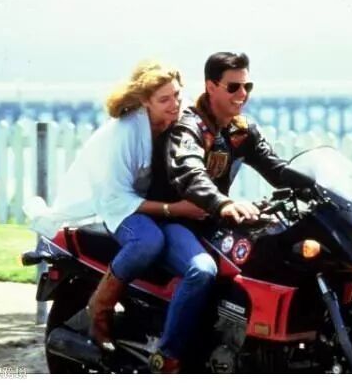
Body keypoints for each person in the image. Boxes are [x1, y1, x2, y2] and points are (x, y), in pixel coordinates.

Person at [25, 60, 217, 374]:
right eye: (164, 99)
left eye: (177, 95)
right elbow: (117, 198)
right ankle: (100, 304)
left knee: (205, 263)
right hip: (120, 205)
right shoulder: (126, 133)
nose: (174, 104)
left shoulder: (179, 122)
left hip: (155, 205)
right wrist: (174, 209)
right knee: (147, 241)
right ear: (145, 102)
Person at [163, 51, 288, 225]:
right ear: (211, 87)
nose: (242, 94)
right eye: (233, 87)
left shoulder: (242, 131)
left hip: (218, 223)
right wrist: (221, 203)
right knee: (192, 246)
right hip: (179, 223)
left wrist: (313, 182)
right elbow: (190, 173)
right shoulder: (189, 128)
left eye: (247, 87)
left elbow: (277, 169)